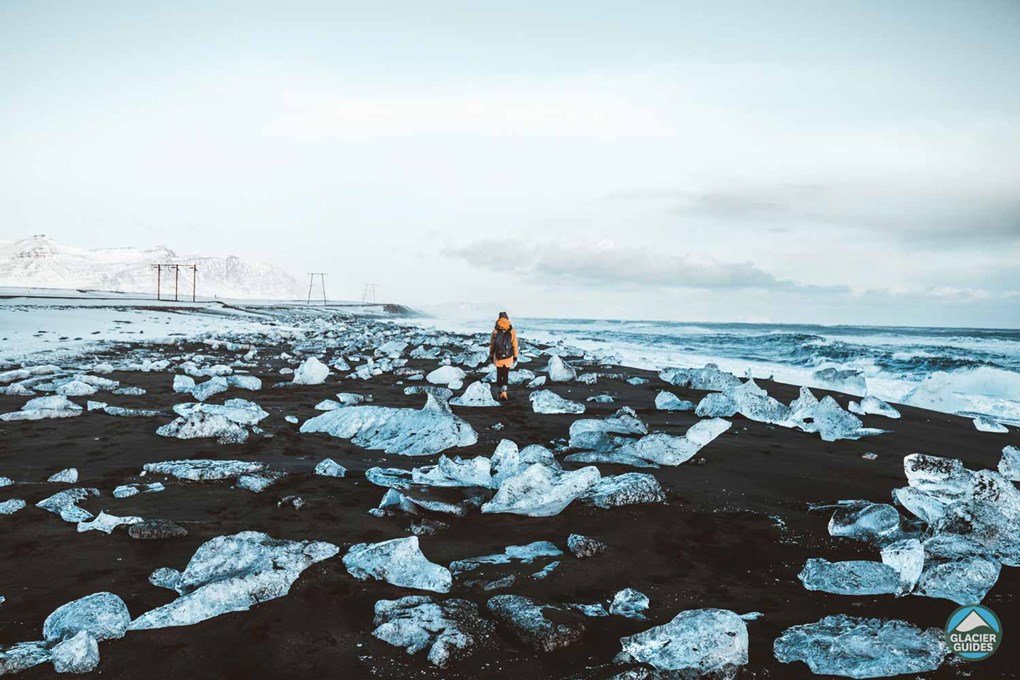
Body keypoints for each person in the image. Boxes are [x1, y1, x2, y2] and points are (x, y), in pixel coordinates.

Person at [489, 311, 519, 401]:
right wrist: (515, 356)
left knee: (499, 374)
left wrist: (491, 355)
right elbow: (515, 344)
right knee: (505, 374)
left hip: (498, 356)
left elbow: (492, 345)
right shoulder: (512, 330)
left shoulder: (495, 330)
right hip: (508, 356)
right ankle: (504, 393)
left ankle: (498, 393)